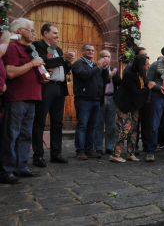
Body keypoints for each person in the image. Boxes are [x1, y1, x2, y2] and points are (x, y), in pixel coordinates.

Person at [0, 18, 47, 184]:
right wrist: (32, 64)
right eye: (31, 30)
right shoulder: (13, 48)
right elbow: (10, 72)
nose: (34, 33)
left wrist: (42, 76)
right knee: (11, 135)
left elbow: (32, 69)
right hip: (17, 97)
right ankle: (7, 170)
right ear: (19, 31)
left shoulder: (30, 50)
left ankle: (21, 166)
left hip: (31, 98)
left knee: (25, 136)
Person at [31, 23, 75, 168]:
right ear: (45, 34)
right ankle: (38, 156)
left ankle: (56, 154)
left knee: (57, 123)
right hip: (47, 88)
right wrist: (63, 59)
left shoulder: (56, 49)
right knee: (40, 122)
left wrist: (68, 62)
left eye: (57, 33)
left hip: (59, 89)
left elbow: (61, 67)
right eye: (54, 33)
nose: (57, 36)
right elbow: (45, 61)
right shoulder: (38, 45)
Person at [110, 55, 155, 162]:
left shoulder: (142, 74)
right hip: (124, 104)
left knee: (134, 129)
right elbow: (135, 92)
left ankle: (131, 153)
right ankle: (115, 154)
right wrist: (148, 88)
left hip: (135, 106)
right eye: (147, 63)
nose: (148, 65)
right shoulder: (129, 75)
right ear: (141, 65)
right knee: (124, 129)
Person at [72, 43, 109, 160]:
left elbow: (105, 80)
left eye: (92, 50)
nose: (91, 52)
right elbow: (84, 75)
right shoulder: (78, 64)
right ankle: (80, 150)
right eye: (88, 50)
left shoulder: (94, 64)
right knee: (82, 125)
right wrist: (98, 67)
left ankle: (89, 149)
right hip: (83, 100)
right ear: (82, 51)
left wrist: (105, 69)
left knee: (92, 126)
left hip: (96, 100)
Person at [94, 50, 121, 155]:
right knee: (99, 124)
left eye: (108, 56)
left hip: (111, 98)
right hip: (100, 98)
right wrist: (108, 76)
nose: (106, 58)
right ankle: (98, 147)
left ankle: (110, 147)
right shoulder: (96, 69)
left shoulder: (114, 70)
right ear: (100, 57)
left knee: (111, 125)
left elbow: (119, 82)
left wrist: (114, 75)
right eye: (104, 56)